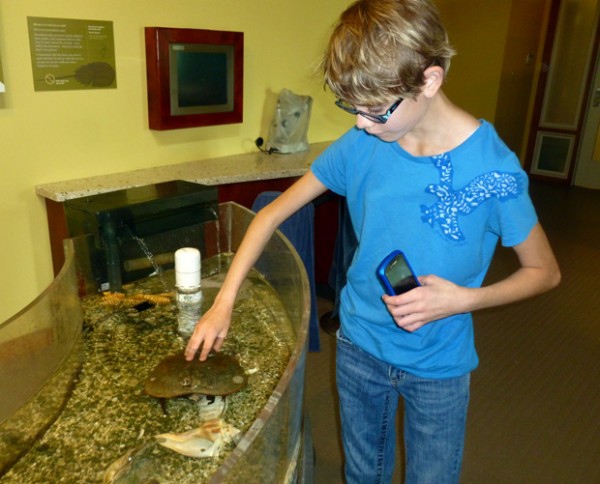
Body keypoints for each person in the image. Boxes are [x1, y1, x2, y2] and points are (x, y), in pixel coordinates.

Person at [185, 0, 561, 481]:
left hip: (438, 365)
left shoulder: (494, 171)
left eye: (374, 109)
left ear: (429, 80)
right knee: (363, 476)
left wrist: (463, 299)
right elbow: (270, 216)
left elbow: (544, 272)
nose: (361, 123)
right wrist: (224, 303)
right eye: (352, 108)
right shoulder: (363, 143)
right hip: (358, 347)